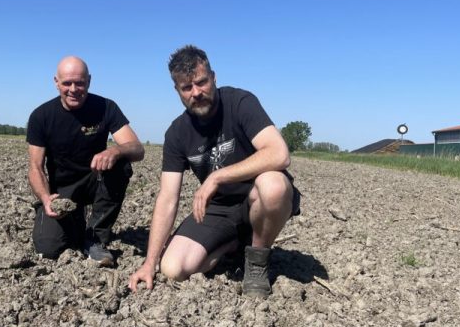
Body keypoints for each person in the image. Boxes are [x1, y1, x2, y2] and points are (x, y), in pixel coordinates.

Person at [128, 45, 300, 297]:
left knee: (273, 185)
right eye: (187, 88)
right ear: (177, 91)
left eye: (201, 82)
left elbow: (279, 153)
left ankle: (256, 261)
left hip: (256, 196)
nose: (196, 92)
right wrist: (149, 263)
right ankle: (234, 243)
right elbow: (167, 198)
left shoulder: (240, 102)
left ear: (213, 77)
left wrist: (217, 175)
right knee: (173, 268)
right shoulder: (177, 133)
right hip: (219, 209)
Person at [27, 56, 144, 265]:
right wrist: (45, 198)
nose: (73, 89)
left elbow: (137, 149)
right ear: (56, 82)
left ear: (89, 81)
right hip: (61, 191)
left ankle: (95, 238)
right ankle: (67, 218)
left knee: (121, 163)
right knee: (48, 249)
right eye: (67, 83)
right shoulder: (41, 116)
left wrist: (115, 151)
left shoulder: (106, 107)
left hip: (94, 182)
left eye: (79, 83)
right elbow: (35, 168)